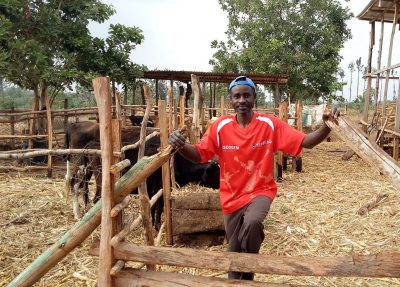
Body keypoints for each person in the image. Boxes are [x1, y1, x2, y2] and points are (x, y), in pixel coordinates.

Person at [168, 75, 339, 281]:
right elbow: (200, 154)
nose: (242, 100)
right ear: (231, 99)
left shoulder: (268, 124)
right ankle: (240, 276)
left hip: (261, 190)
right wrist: (181, 145)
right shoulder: (220, 127)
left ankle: (248, 270)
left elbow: (306, 142)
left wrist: (326, 127)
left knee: (253, 221)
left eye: (246, 95)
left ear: (254, 98)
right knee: (234, 252)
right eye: (237, 96)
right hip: (231, 195)